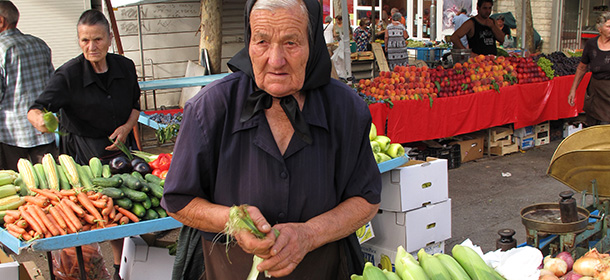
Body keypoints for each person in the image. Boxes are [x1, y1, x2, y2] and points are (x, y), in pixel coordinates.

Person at [160, 0, 382, 278]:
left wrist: (309, 234)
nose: (275, 60)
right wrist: (233, 221)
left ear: (312, 44)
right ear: (248, 42)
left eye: (291, 42)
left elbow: (366, 198)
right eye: (262, 41)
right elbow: (178, 200)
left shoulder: (346, 110)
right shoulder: (211, 108)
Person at [27, 9, 141, 280]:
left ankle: (120, 270)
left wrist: (125, 128)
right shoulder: (68, 75)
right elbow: (36, 107)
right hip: (83, 152)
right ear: (79, 40)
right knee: (91, 215)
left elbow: (136, 105)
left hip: (122, 147)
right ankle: (78, 271)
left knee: (123, 212)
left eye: (98, 40)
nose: (92, 47)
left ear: (109, 38)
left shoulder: (125, 67)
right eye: (85, 40)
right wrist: (40, 121)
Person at [0, 1, 57, 171]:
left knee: (19, 189)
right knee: (49, 187)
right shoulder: (40, 44)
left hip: (12, 137)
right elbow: (53, 87)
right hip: (43, 130)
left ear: (1, 21)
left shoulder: (1, 49)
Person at [568, 12, 610, 127]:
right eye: (608, 26)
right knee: (593, 126)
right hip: (595, 92)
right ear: (600, 29)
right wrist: (573, 89)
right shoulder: (591, 44)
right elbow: (582, 67)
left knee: (606, 128)